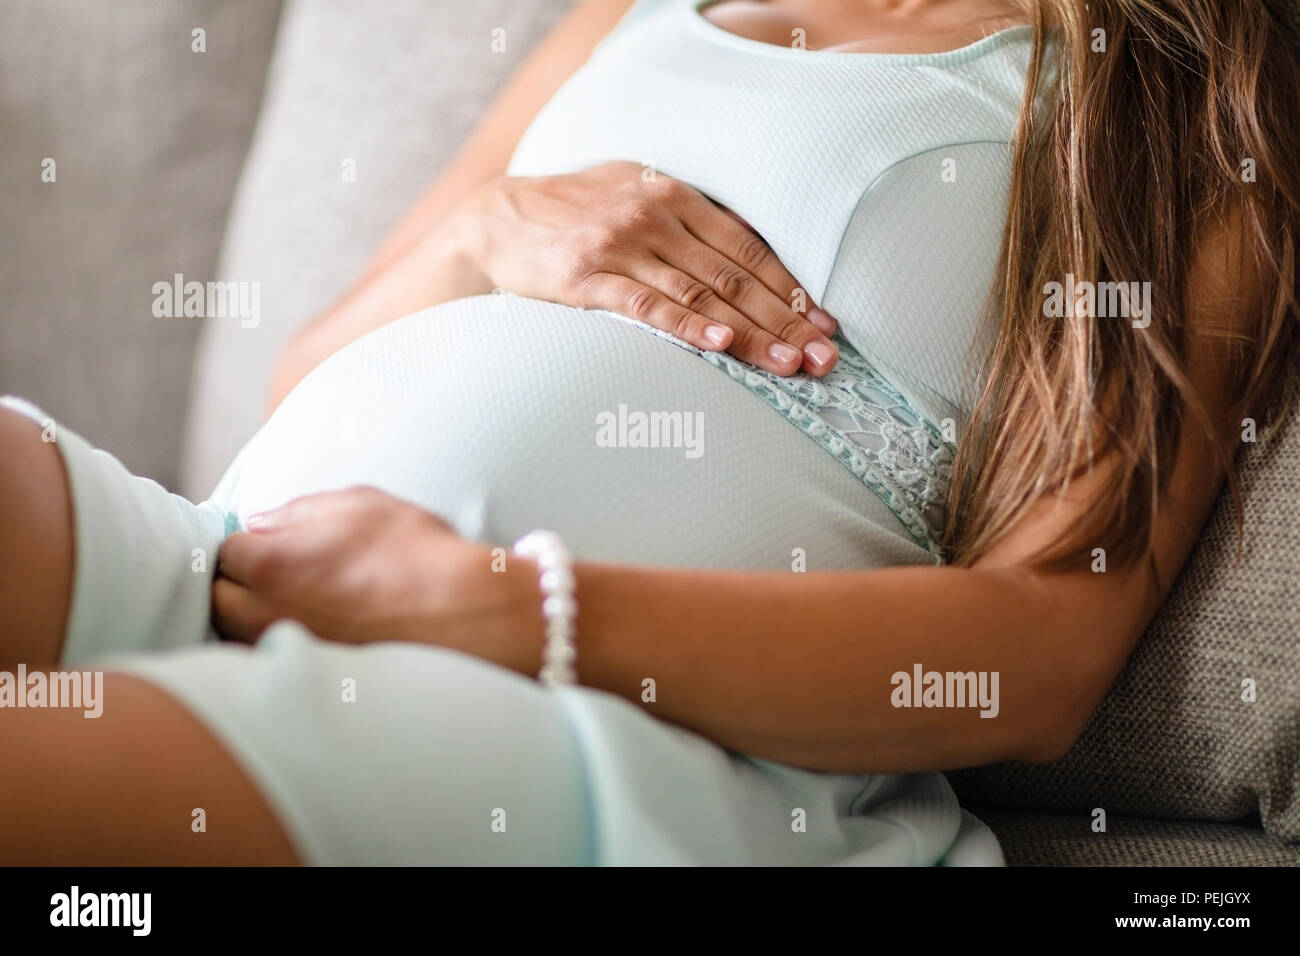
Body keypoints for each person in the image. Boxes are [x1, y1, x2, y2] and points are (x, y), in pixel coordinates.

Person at [1, 0, 1296, 865]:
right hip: (229, 553)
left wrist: (508, 610)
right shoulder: (640, 9)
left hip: (601, 730)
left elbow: (1043, 656)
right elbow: (306, 373)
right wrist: (482, 233)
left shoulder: (1189, 107)